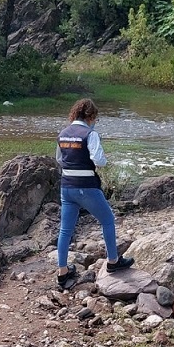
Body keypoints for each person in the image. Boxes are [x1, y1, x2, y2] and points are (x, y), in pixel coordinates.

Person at [55, 98, 133, 288]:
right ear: (90, 116)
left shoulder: (63, 134)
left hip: (67, 187)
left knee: (65, 230)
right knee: (107, 220)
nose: (95, 121)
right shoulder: (90, 134)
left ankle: (62, 272)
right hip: (86, 186)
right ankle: (113, 262)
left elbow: (59, 159)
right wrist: (104, 159)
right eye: (95, 118)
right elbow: (98, 160)